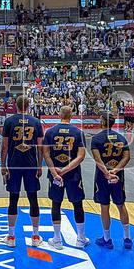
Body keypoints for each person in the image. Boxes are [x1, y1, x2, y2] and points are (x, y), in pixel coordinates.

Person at [1, 95, 44, 248]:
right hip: (31, 165)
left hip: (14, 164)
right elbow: (40, 147)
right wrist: (39, 166)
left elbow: (5, 146)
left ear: (16, 105)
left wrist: (3, 165)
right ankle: (35, 236)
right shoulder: (36, 122)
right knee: (33, 199)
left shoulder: (9, 121)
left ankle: (11, 237)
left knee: (13, 199)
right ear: (29, 105)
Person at [40, 105, 86, 250]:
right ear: (71, 115)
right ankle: (80, 238)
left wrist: (55, 172)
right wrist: (66, 169)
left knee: (56, 203)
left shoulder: (50, 131)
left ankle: (57, 239)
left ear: (59, 114)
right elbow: (81, 156)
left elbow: (45, 154)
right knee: (77, 204)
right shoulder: (78, 132)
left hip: (55, 175)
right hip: (73, 174)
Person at [90, 112, 132, 249]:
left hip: (103, 177)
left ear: (102, 122)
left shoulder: (96, 139)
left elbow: (98, 160)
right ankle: (127, 238)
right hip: (118, 177)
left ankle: (107, 239)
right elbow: (127, 157)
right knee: (121, 205)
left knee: (104, 206)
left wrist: (107, 173)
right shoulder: (121, 138)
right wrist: (116, 170)